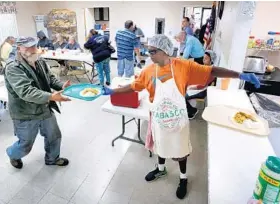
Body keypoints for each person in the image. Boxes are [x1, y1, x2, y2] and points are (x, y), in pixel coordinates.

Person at [102, 34, 260, 200]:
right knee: (161, 145)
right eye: (148, 51)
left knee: (180, 150)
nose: (149, 55)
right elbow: (134, 86)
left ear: (164, 51)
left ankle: (183, 178)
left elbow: (211, 71)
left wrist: (240, 75)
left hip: (178, 120)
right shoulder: (148, 71)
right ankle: (161, 169)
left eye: (152, 51)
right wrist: (114, 91)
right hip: (158, 118)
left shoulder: (183, 66)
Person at [4, 36, 71, 169]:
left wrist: (61, 86)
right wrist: (52, 96)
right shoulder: (13, 67)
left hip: (44, 107)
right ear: (19, 48)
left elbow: (50, 78)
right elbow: (26, 91)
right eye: (28, 47)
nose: (32, 49)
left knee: (54, 135)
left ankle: (52, 158)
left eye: (34, 46)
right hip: (25, 112)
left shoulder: (38, 60)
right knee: (25, 143)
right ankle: (13, 154)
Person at [185, 50, 217, 119]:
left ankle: (192, 111)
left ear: (211, 60)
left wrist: (191, 87)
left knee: (182, 96)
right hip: (198, 87)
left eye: (206, 58)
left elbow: (203, 85)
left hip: (202, 90)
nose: (203, 60)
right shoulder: (205, 67)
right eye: (203, 58)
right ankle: (189, 108)